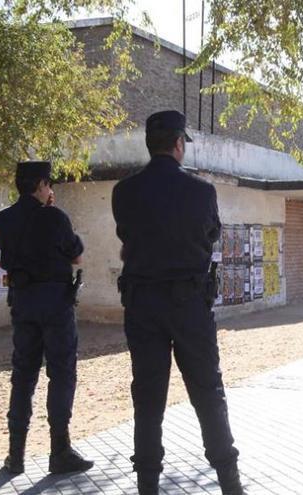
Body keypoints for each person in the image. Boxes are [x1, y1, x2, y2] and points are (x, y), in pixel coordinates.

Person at [112, 110, 244, 495]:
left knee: (148, 399)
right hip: (189, 306)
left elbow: (127, 234)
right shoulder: (201, 191)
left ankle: (147, 488)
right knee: (207, 393)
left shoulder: (124, 191)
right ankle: (230, 485)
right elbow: (212, 234)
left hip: (142, 306)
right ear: (178, 144)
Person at [0, 161, 92, 475]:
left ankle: (16, 456)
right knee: (61, 374)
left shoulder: (4, 218)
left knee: (23, 376)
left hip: (23, 303)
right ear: (40, 185)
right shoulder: (55, 217)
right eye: (49, 184)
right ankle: (59, 451)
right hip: (55, 304)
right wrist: (53, 213)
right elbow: (77, 256)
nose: (51, 190)